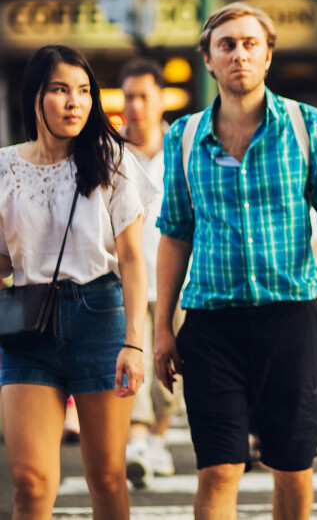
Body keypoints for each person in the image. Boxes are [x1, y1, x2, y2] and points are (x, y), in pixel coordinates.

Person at [154, 2, 317, 520]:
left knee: (290, 465)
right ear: (208, 58)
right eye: (226, 44)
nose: (239, 54)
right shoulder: (182, 137)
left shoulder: (305, 124)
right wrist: (161, 327)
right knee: (219, 468)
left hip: (291, 316)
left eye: (251, 44)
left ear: (268, 55)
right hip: (210, 325)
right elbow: (175, 233)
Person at [0, 44, 155, 520]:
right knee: (29, 482)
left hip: (99, 319)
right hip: (26, 327)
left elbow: (131, 259)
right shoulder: (5, 167)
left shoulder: (110, 160)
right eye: (61, 90)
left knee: (106, 478)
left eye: (85, 91)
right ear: (35, 97)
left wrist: (134, 342)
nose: (75, 103)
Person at [119, 56, 182, 488]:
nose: (136, 105)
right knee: (133, 354)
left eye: (144, 96)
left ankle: (158, 437)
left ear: (161, 100)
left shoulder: (182, 146)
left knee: (173, 362)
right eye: (129, 97)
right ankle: (137, 439)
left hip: (177, 275)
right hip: (124, 277)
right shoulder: (107, 151)